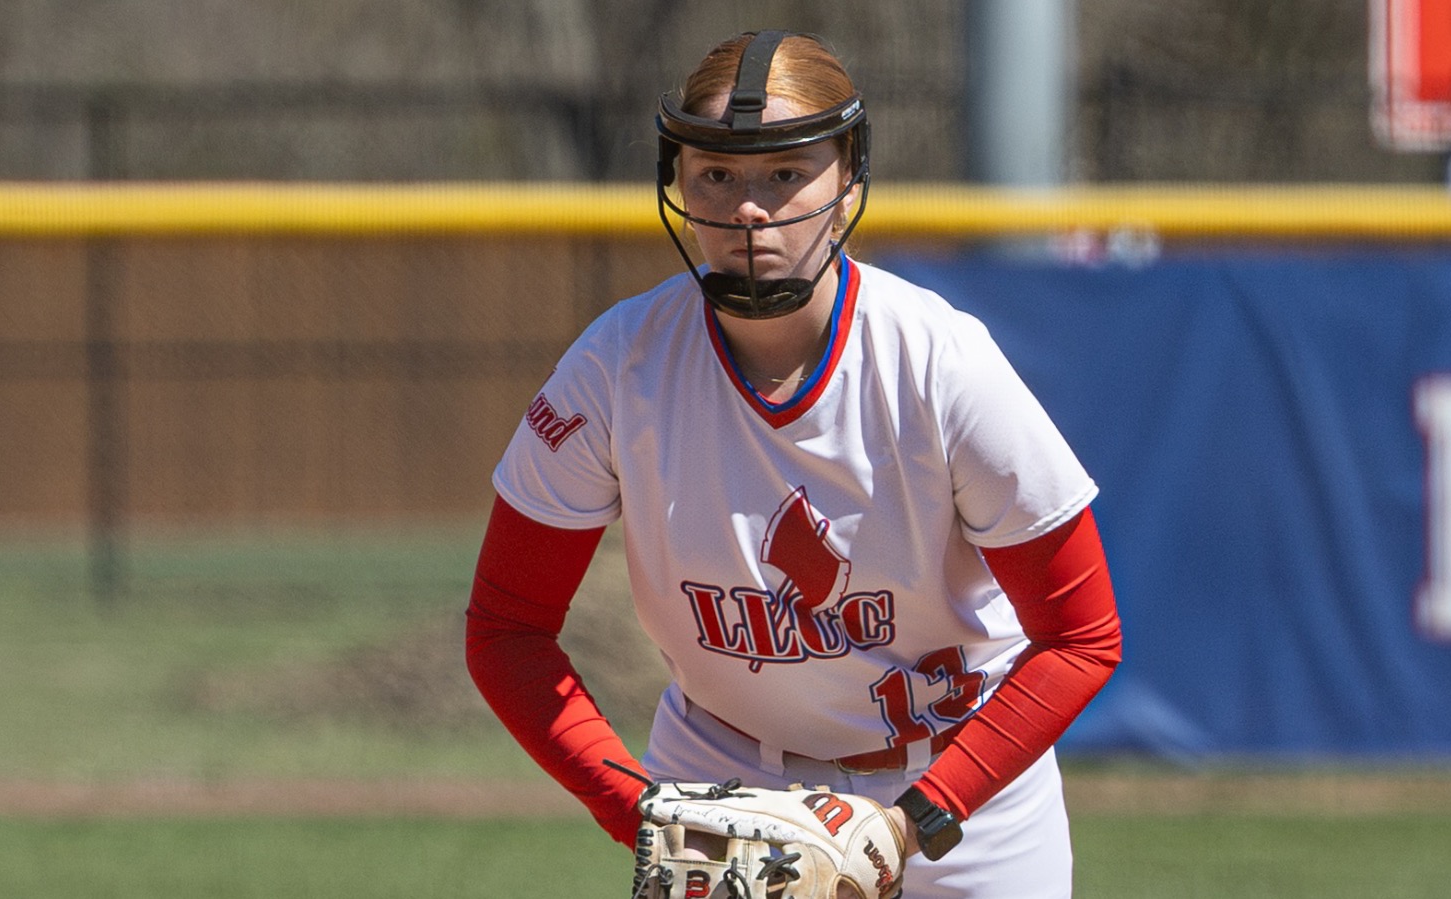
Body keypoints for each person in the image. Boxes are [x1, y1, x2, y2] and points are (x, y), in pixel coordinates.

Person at [465, 30, 1122, 899]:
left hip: (959, 792)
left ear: (848, 176)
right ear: (678, 182)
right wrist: (645, 812)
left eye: (785, 172)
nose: (748, 208)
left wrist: (912, 820)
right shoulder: (619, 367)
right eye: (718, 173)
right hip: (723, 772)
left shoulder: (937, 364)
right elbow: (506, 627)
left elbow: (1081, 636)